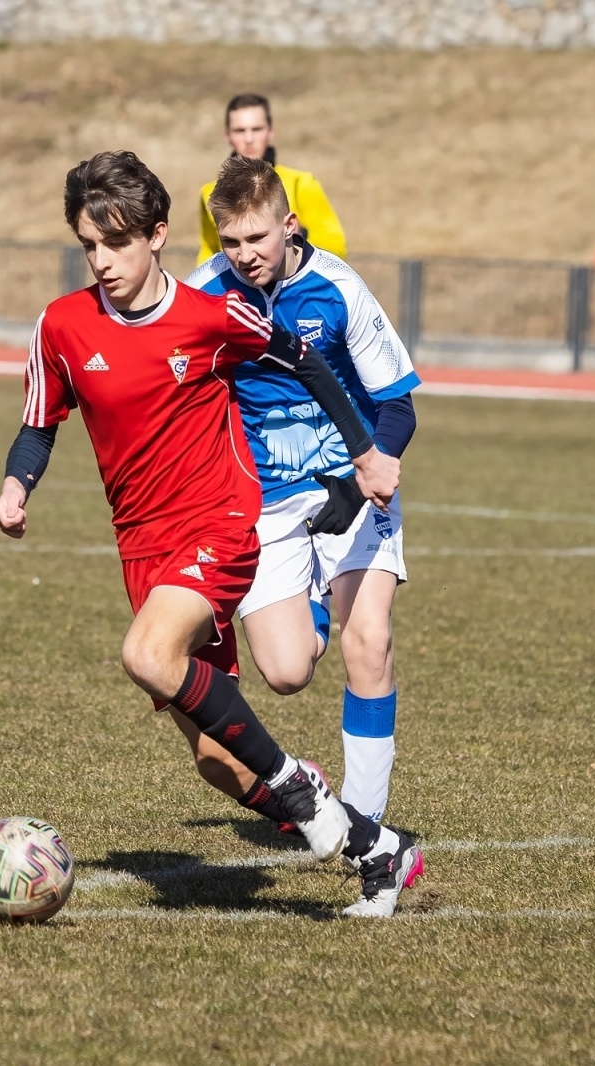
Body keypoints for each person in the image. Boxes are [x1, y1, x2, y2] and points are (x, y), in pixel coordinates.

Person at [0, 150, 424, 917]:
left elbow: (305, 358)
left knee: (148, 654)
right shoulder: (61, 325)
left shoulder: (212, 314)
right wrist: (16, 486)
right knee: (220, 761)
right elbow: (37, 424)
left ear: (157, 235)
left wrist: (364, 454)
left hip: (223, 519)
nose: (102, 261)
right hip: (144, 545)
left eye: (116, 243)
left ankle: (313, 799)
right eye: (89, 246)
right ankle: (373, 845)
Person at [186, 155, 420, 829]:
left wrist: (367, 470)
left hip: (354, 487)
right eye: (230, 241)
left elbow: (398, 405)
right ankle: (311, 606)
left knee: (368, 638)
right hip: (267, 502)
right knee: (287, 673)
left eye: (257, 238)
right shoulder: (207, 293)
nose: (245, 255)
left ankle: (366, 826)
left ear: (289, 225)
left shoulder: (337, 288)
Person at [196, 93, 346, 264]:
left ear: (270, 132)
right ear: (227, 136)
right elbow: (208, 250)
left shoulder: (301, 183)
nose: (249, 139)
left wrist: (301, 238)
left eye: (256, 129)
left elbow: (336, 246)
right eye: (240, 131)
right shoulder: (210, 192)